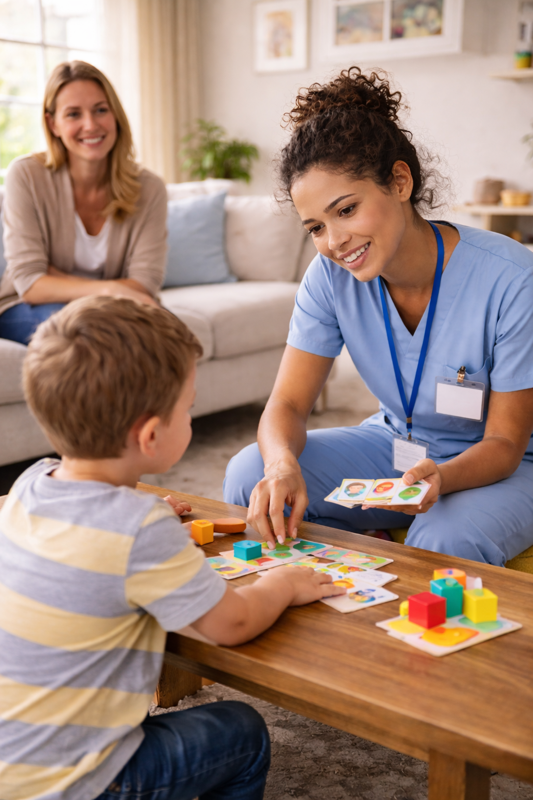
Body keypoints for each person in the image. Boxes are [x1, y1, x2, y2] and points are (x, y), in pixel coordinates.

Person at [0, 296, 343, 800]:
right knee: (241, 731)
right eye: (189, 408)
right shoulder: (137, 528)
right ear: (152, 435)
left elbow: (89, 541)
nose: (191, 416)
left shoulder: (29, 486)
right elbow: (233, 624)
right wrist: (283, 582)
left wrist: (145, 521)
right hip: (82, 784)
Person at [224, 67, 533, 566]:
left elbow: (504, 442)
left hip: (505, 464)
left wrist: (440, 480)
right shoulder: (328, 279)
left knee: (442, 539)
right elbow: (286, 404)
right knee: (249, 475)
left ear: (399, 181)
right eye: (315, 227)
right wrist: (282, 463)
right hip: (397, 443)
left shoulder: (513, 279)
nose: (334, 241)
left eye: (346, 210)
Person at [0, 61, 166, 344]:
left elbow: (144, 284)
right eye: (73, 114)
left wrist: (56, 277)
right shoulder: (26, 175)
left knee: (165, 336)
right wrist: (114, 288)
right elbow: (29, 285)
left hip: (112, 310)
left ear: (115, 115)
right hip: (25, 308)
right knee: (92, 334)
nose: (90, 125)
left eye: (101, 110)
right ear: (53, 124)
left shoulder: (149, 188)